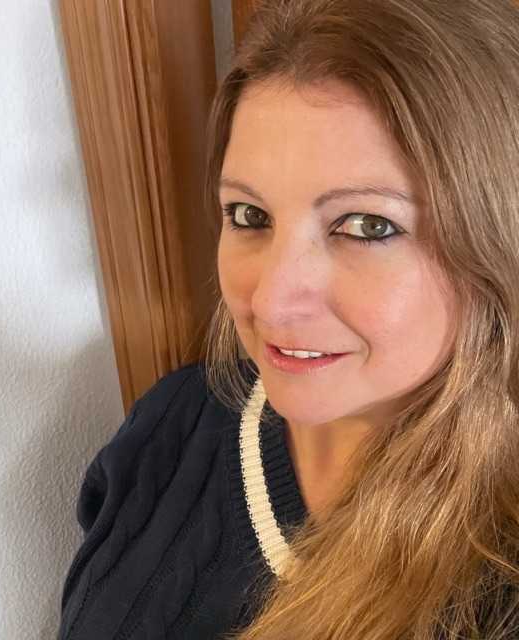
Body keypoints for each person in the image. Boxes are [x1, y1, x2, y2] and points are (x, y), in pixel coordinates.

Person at [56, 0, 519, 638]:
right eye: (249, 216)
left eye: (367, 226)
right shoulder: (172, 421)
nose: (270, 302)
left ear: (497, 243)